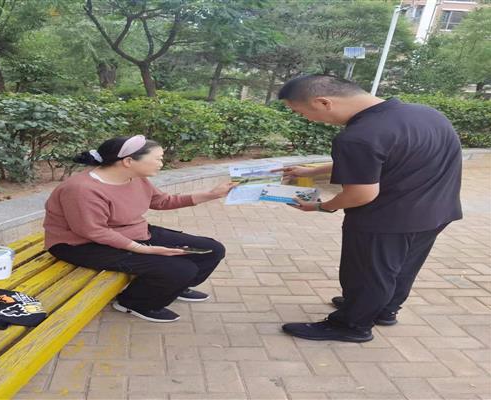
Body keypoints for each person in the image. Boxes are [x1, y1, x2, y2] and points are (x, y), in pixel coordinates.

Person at [275, 75, 462, 342]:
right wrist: (312, 171)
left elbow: (361, 194)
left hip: (385, 219)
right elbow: (381, 159)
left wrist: (321, 207)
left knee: (367, 275)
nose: (307, 119)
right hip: (436, 211)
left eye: (301, 112)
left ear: (323, 102)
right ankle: (384, 309)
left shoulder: (358, 136)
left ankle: (352, 325)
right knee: (401, 268)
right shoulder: (426, 115)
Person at [43, 135, 235, 323]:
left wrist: (212, 194)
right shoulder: (81, 189)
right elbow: (93, 231)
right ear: (128, 161)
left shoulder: (135, 177)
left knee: (212, 250)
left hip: (130, 232)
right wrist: (142, 249)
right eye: (158, 159)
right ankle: (133, 303)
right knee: (181, 269)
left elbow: (162, 201)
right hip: (80, 245)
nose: (161, 163)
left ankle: (175, 287)